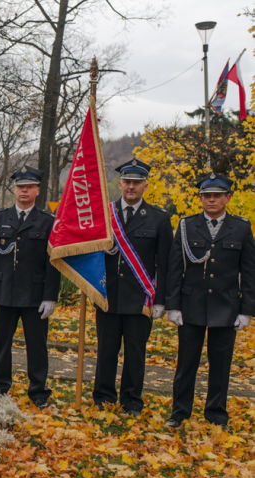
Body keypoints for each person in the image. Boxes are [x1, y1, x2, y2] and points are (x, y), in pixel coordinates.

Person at [164, 173, 255, 431]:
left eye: (217, 195)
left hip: (227, 308)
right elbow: (174, 268)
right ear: (201, 198)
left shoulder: (241, 227)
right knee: (186, 364)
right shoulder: (186, 225)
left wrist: (247, 310)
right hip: (191, 306)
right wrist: (173, 305)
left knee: (221, 365)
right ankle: (179, 412)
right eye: (206, 196)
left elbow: (249, 272)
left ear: (228, 197)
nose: (211, 200)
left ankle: (216, 414)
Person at [92, 159, 173, 415]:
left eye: (136, 183)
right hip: (107, 296)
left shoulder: (159, 219)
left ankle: (131, 401)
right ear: (120, 183)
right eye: (127, 182)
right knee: (106, 351)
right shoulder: (104, 213)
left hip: (140, 299)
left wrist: (160, 300)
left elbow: (165, 264)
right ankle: (103, 397)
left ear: (145, 185)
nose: (131, 187)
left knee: (135, 354)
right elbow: (91, 255)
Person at [0, 166, 60, 409]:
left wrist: (50, 297)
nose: (24, 190)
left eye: (29, 186)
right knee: (0, 342)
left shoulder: (48, 221)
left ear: (37, 190)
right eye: (20, 186)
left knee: (37, 346)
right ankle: (0, 385)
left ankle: (38, 392)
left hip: (35, 295)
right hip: (3, 292)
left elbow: (52, 263)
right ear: (14, 189)